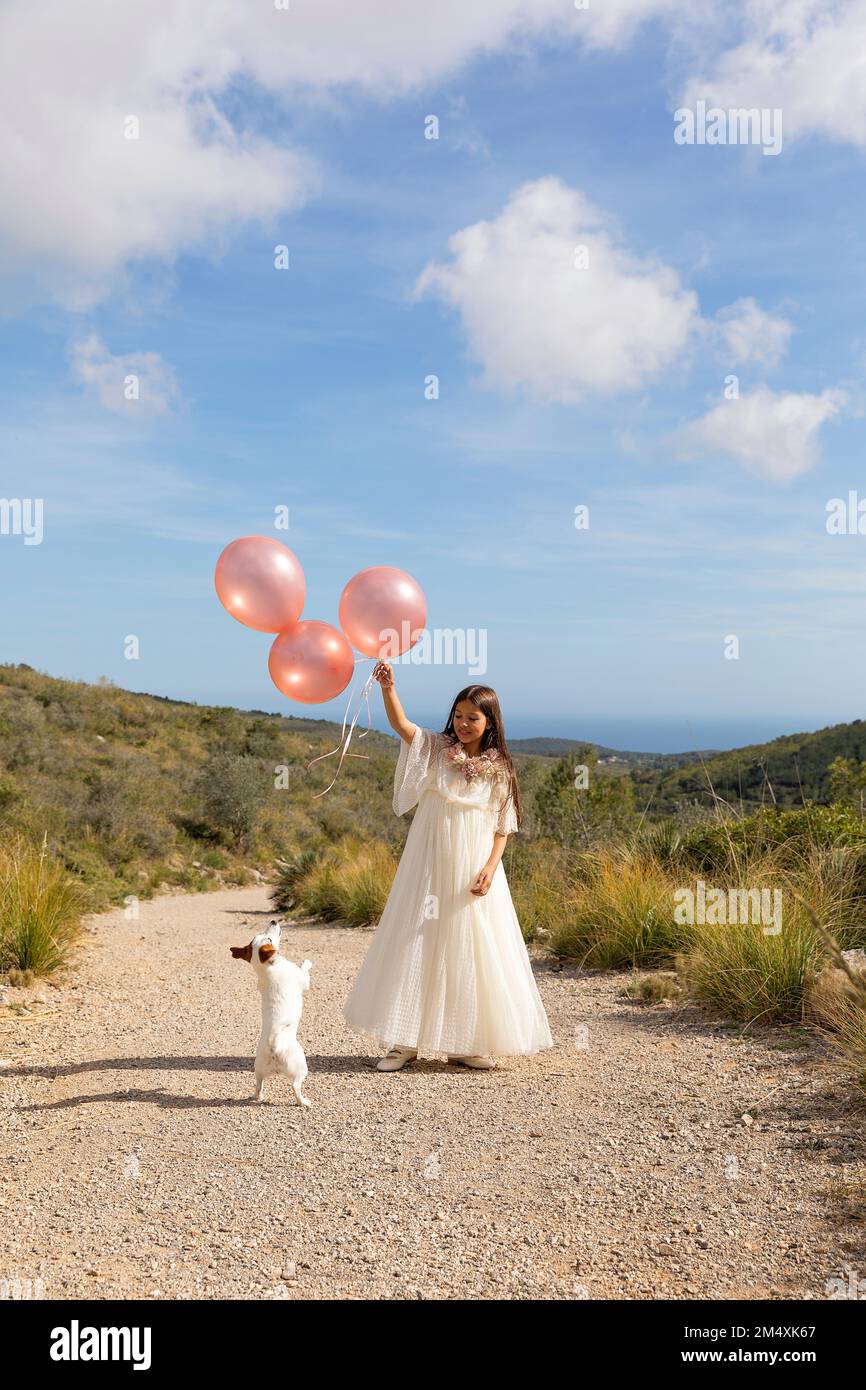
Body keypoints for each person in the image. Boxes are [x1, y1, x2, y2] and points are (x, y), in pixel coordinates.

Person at [343, 662, 554, 1071]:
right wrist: (389, 687)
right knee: (415, 936)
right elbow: (403, 726)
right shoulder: (439, 751)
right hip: (429, 858)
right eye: (458, 716)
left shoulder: (501, 767)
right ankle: (403, 1041)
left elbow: (502, 825)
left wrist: (491, 867)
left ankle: (464, 1041)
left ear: (490, 721)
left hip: (472, 863)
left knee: (470, 944)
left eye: (472, 718)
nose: (462, 724)